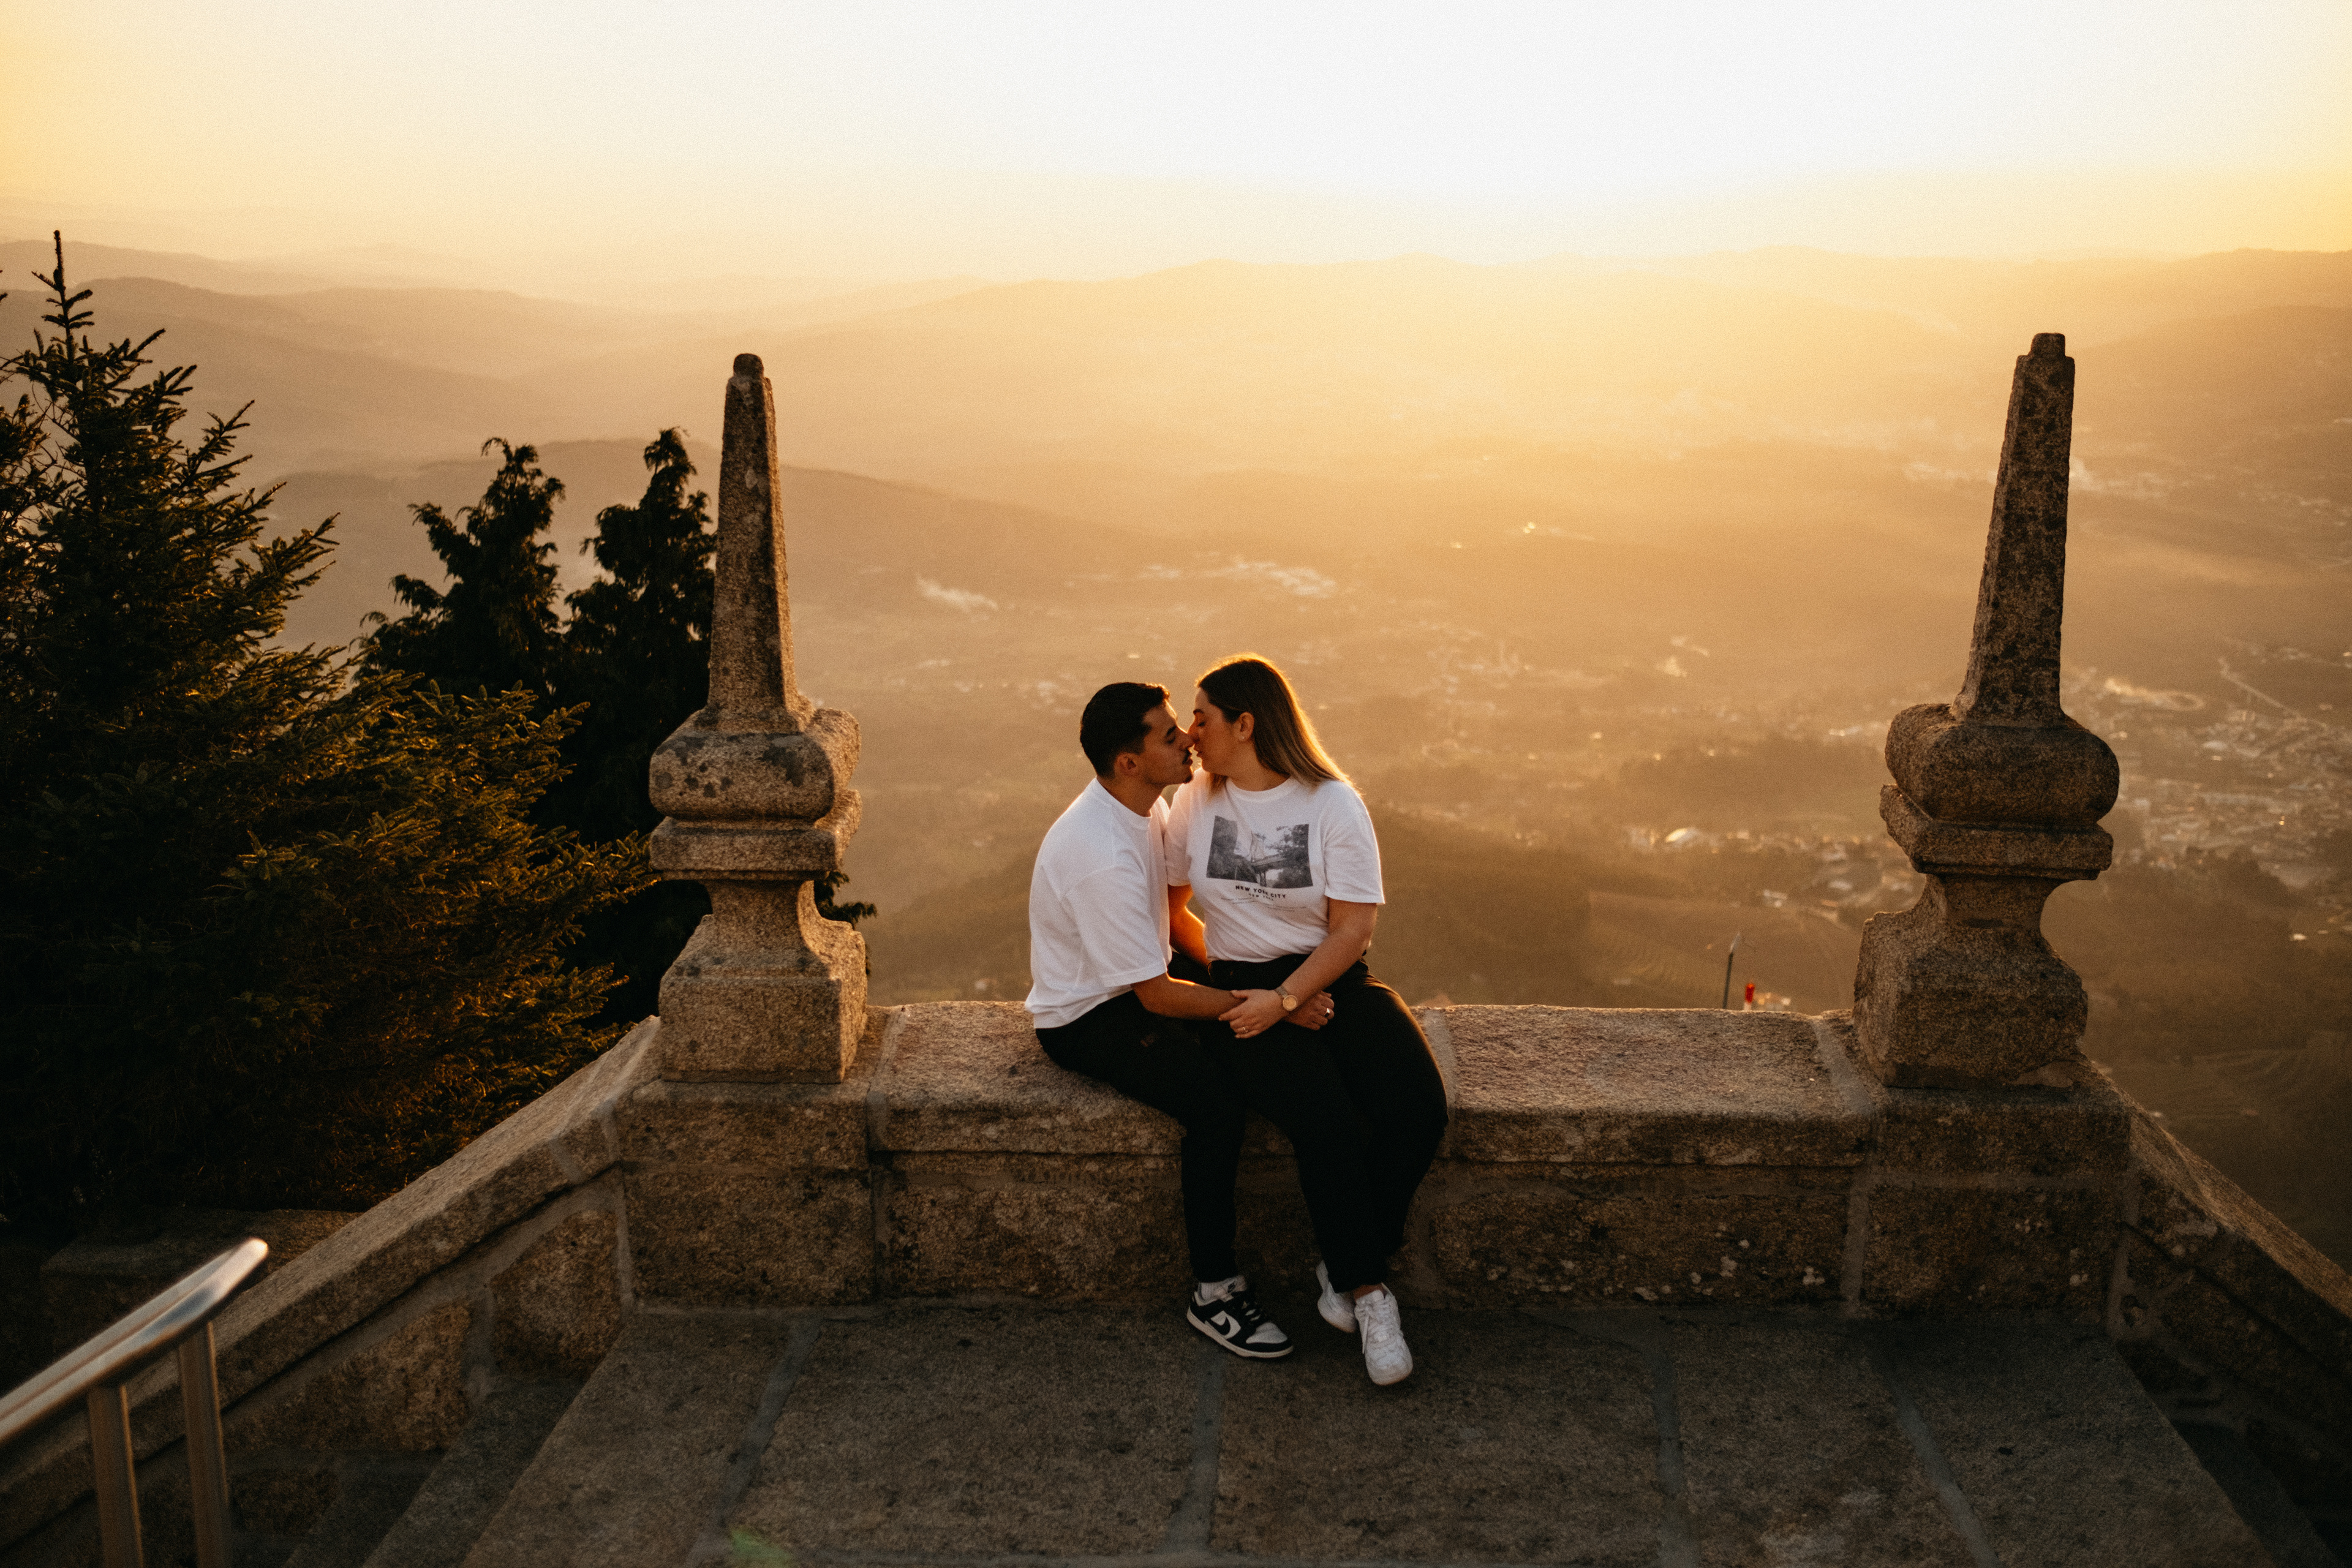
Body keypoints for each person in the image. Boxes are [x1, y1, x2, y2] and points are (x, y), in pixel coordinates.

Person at [1025, 680, 1336, 1360]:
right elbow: (1157, 997)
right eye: (1171, 735)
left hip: (1139, 979)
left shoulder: (1144, 809)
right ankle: (1215, 1292)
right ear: (1129, 762)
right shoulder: (1099, 853)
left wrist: (1274, 990)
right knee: (1216, 1106)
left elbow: (1173, 928)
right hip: (1090, 1015)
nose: (1189, 739)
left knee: (1263, 1051)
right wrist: (1273, 1003)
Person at [1165, 654, 1450, 1387]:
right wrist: (1238, 986)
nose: (1190, 732)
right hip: (1240, 991)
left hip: (1328, 977)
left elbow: (1354, 929)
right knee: (1326, 1121)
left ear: (1246, 724)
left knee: (1417, 1106)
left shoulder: (1331, 803)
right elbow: (1171, 911)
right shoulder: (1195, 802)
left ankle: (1342, 1263)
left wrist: (1290, 995)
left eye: (1202, 717)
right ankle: (1370, 1292)